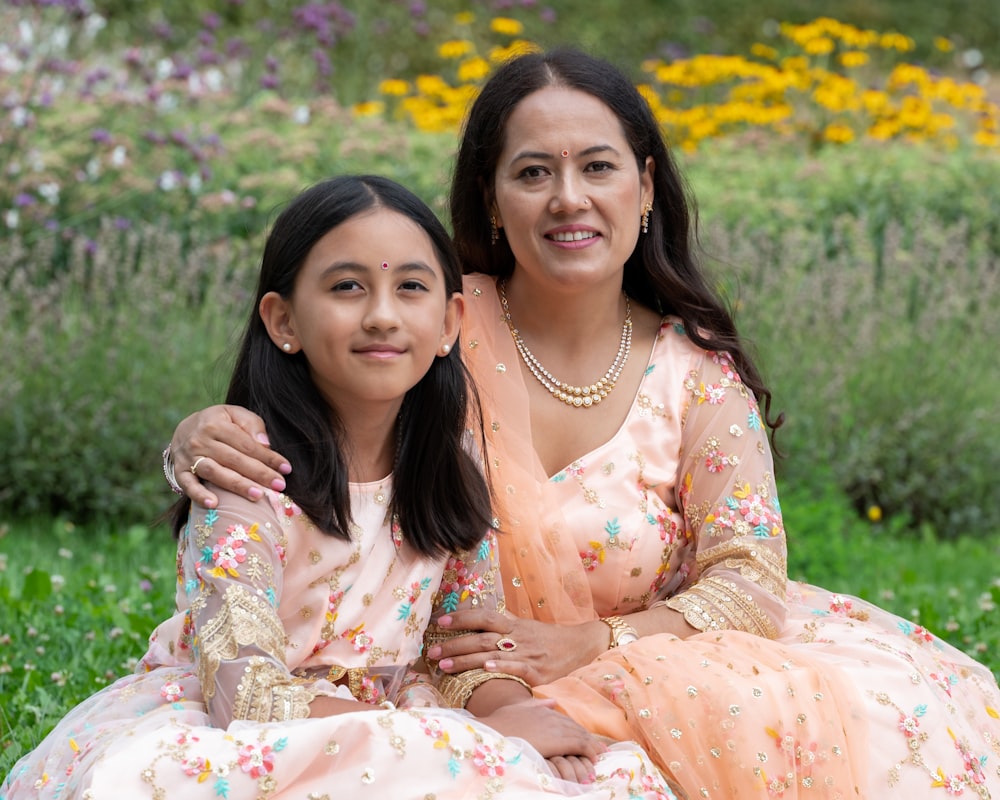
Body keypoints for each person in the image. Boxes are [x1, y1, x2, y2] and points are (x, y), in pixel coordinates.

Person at [162, 50, 1000, 799]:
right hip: (443, 672)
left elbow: (748, 577)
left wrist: (591, 641)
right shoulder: (430, 319)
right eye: (532, 173)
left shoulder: (696, 376)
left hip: (643, 664)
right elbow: (315, 383)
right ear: (490, 201)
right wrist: (202, 432)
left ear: (643, 187)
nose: (569, 199)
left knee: (821, 715)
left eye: (597, 167)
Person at [1, 175, 680, 799]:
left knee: (608, 780)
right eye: (347, 287)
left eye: (410, 288)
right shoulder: (246, 477)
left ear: (449, 325)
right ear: (283, 320)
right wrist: (483, 739)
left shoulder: (449, 474)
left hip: (404, 720)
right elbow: (245, 698)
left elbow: (460, 653)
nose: (382, 316)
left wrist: (517, 717)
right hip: (247, 730)